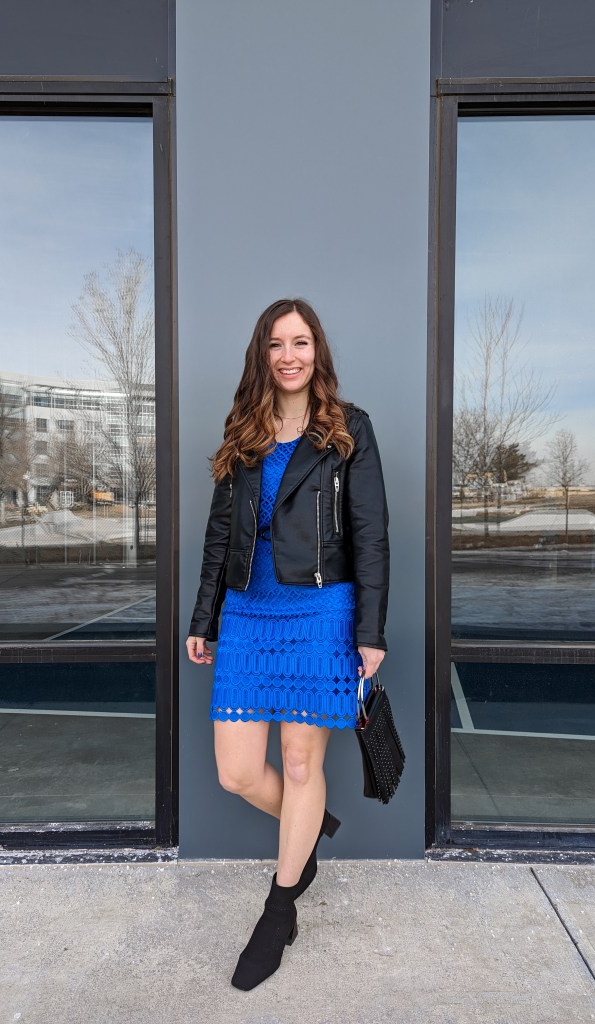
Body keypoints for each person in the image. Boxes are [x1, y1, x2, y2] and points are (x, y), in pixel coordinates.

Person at [187, 297, 389, 990]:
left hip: (320, 611)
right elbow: (221, 533)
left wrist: (369, 633)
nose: (288, 355)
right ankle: (310, 830)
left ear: (316, 350)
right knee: (238, 772)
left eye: (300, 342)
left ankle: (279, 910)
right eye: (276, 344)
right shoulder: (243, 427)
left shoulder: (347, 428)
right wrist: (203, 616)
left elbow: (371, 535)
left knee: (302, 764)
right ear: (262, 354)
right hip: (247, 612)